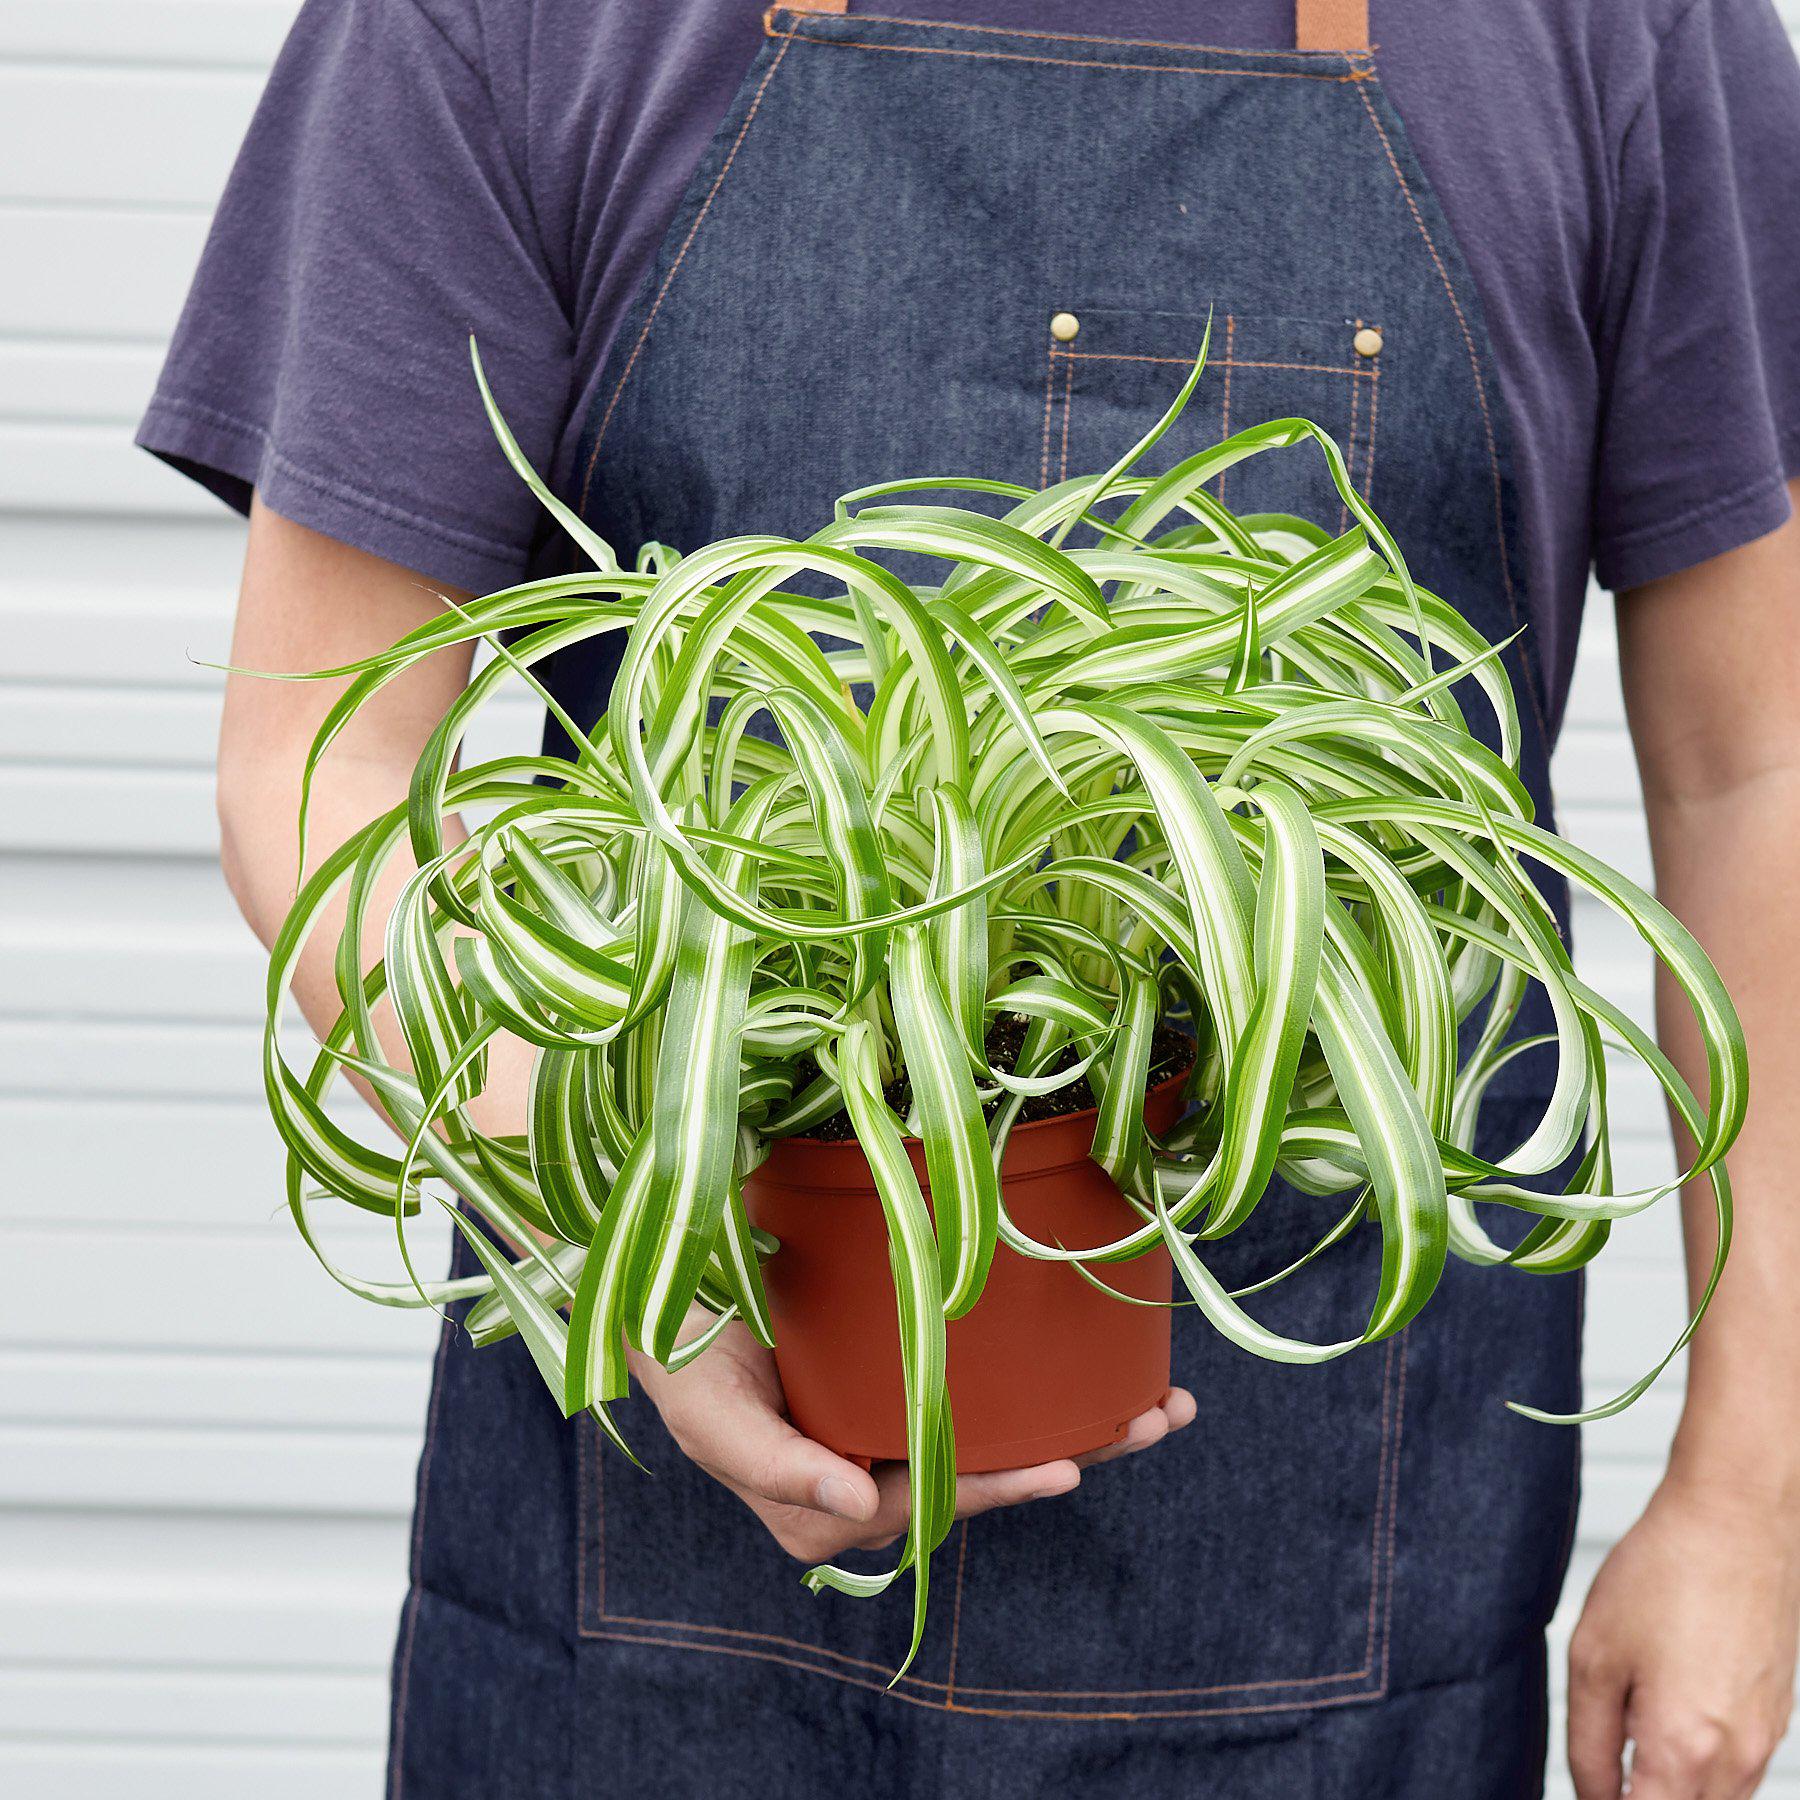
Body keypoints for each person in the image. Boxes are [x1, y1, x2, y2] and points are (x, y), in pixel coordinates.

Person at [139, 1, 1800, 1794]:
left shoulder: (1617, 34)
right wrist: (634, 1253)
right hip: (653, 1611)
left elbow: (1757, 776)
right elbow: (325, 763)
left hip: (1328, 1622)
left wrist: (1747, 1490)